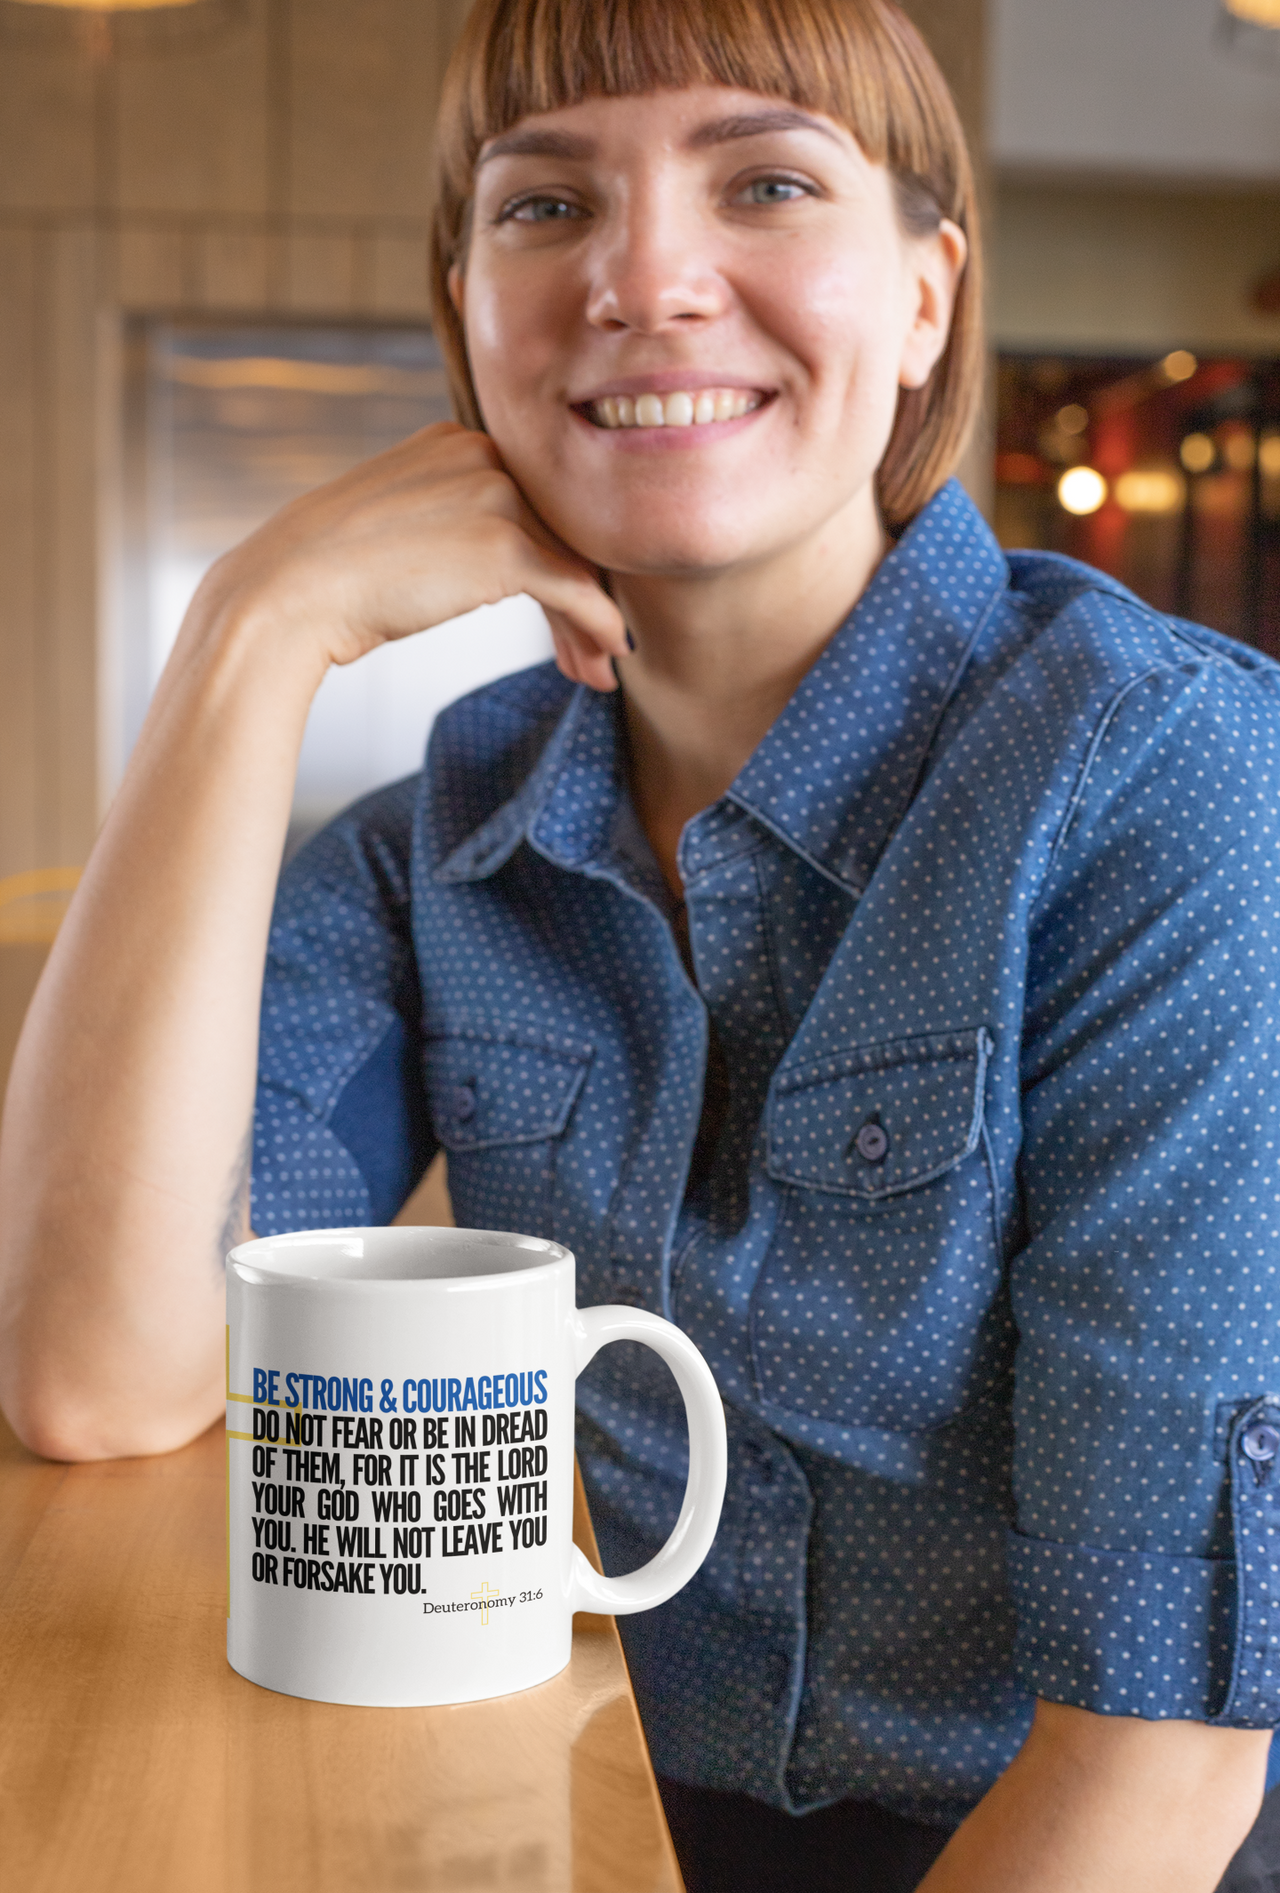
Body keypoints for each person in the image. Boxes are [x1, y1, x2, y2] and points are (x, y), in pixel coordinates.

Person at [1, 1, 1278, 1887]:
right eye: (545, 207)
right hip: (602, 1808)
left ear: (927, 297)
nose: (646, 276)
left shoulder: (1160, 774)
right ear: (465, 320)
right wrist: (249, 634)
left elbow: (1158, 1768)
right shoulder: (452, 831)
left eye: (764, 182)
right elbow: (98, 1377)